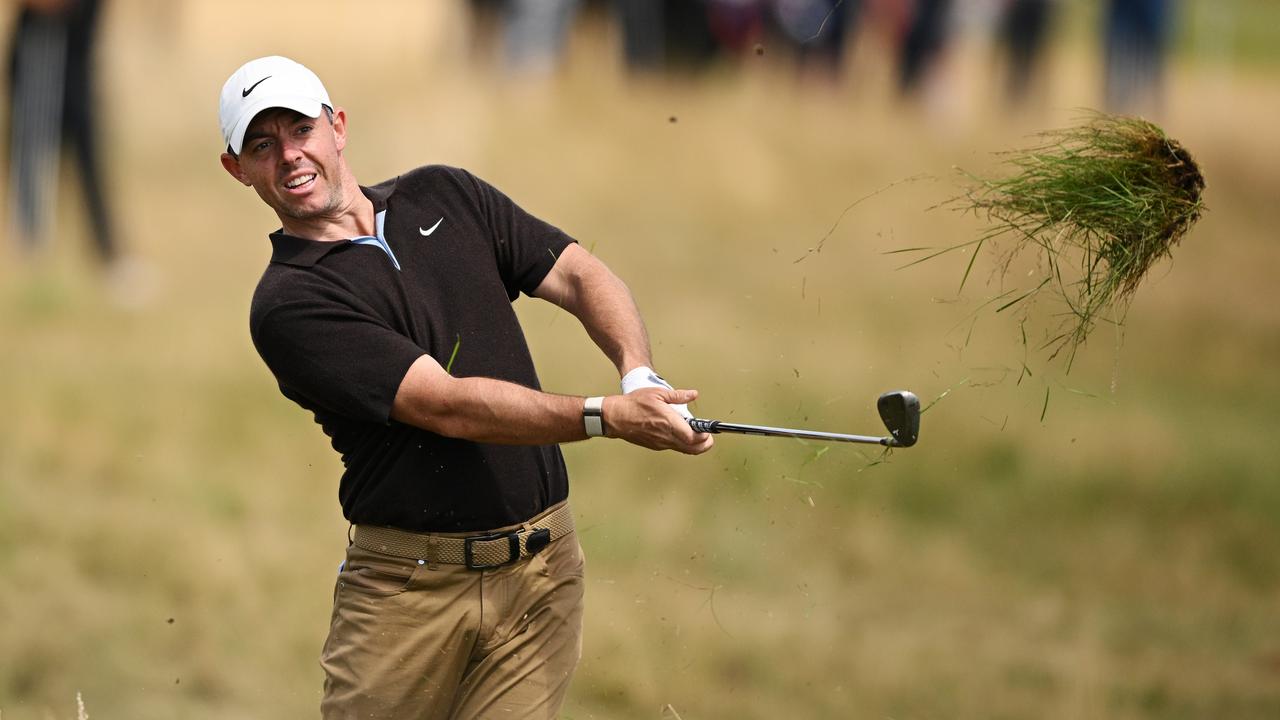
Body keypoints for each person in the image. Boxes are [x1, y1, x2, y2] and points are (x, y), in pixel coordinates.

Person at [217, 55, 713, 719]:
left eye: (300, 130)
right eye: (261, 145)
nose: (289, 156)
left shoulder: (443, 195)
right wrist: (606, 416)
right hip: (406, 599)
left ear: (337, 127)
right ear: (237, 169)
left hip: (541, 579)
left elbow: (578, 276)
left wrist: (637, 371)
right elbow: (446, 406)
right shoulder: (290, 302)